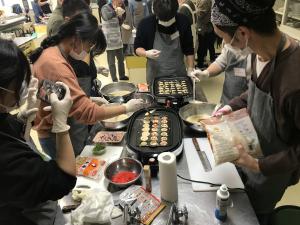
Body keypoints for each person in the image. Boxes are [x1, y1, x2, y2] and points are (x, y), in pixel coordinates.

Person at [210, 1, 300, 224]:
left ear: (243, 33)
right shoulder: (255, 54)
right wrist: (230, 107)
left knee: (255, 214)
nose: (224, 44)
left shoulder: (294, 80)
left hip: (271, 170)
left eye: (224, 38)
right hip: (250, 150)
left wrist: (257, 165)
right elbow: (252, 92)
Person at [30, 12, 144, 159]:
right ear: (76, 39)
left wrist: (88, 99)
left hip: (50, 131)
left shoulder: (53, 54)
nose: (87, 53)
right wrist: (126, 108)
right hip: (52, 135)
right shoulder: (57, 66)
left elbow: (58, 95)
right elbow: (87, 113)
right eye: (89, 47)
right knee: (69, 177)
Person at [0, 38, 76, 224]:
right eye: (18, 84)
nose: (23, 88)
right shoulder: (7, 161)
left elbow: (8, 132)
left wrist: (22, 121)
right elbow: (64, 179)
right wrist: (61, 125)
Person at [134, 0, 194, 85]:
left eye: (169, 19)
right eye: (163, 20)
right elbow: (137, 48)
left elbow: (189, 49)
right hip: (155, 76)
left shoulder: (183, 21)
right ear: (155, 12)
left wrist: (191, 69)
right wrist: (146, 53)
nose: (166, 23)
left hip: (178, 74)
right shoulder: (146, 24)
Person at [101, 0, 129, 81]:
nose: (121, 3)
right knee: (111, 62)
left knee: (121, 59)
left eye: (122, 2)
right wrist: (116, 12)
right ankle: (114, 78)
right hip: (109, 40)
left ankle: (122, 75)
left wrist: (121, 17)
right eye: (119, 1)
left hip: (118, 38)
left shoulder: (121, 7)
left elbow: (120, 21)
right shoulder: (105, 8)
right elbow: (106, 17)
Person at [195, 0, 216, 68]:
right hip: (203, 26)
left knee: (202, 46)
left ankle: (200, 64)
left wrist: (194, 11)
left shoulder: (205, 1)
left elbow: (200, 14)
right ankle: (201, 61)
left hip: (204, 27)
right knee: (203, 45)